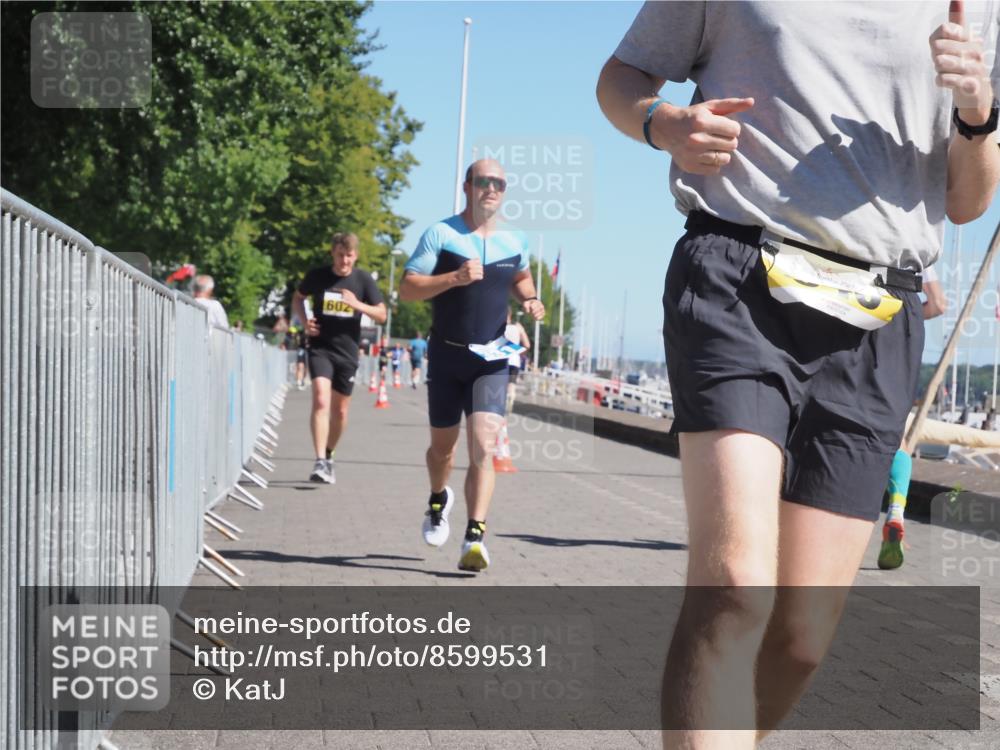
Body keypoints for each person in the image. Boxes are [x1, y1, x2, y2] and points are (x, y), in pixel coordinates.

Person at [597, 1, 999, 745]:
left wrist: (977, 114)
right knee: (734, 589)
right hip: (737, 276)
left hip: (879, 311)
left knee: (801, 638)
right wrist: (662, 124)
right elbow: (621, 76)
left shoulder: (973, 8)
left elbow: (968, 200)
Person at [399, 159, 545, 572]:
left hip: (492, 359)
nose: (491, 189)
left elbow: (521, 279)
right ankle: (437, 499)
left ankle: (474, 535)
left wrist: (529, 299)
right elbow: (407, 289)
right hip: (447, 356)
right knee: (442, 450)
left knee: (483, 445)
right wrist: (454, 278)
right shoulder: (442, 234)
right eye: (484, 181)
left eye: (499, 183)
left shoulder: (515, 240)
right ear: (467, 186)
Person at [292, 232, 387, 484]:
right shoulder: (318, 276)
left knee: (341, 412)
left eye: (349, 256)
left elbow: (381, 315)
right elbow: (298, 297)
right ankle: (320, 460)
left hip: (347, 352)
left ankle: (330, 453)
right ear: (332, 253)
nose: (344, 261)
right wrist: (304, 322)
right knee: (321, 400)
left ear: (355, 256)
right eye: (340, 255)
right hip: (321, 347)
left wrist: (357, 304)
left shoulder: (363, 280)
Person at [878, 265, 947, 570]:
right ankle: (896, 511)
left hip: (847, 320)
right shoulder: (916, 247)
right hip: (897, 334)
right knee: (897, 438)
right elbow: (938, 304)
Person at [504, 307, 531, 414]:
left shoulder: (498, 327)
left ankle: (502, 400)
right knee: (512, 384)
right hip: (514, 360)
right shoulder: (518, 327)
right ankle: (510, 396)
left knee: (499, 382)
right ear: (510, 315)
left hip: (500, 359)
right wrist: (519, 352)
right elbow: (527, 345)